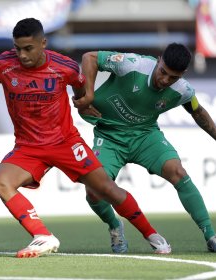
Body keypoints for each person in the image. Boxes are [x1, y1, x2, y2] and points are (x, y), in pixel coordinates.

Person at [0, 18, 170, 257]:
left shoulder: (64, 67)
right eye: (17, 48)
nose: (22, 55)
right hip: (29, 147)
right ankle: (43, 236)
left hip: (65, 142)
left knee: (106, 190)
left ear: (43, 43)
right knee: (1, 182)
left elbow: (80, 85)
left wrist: (83, 102)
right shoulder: (2, 65)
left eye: (28, 48)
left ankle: (152, 235)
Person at [78, 43, 216, 253]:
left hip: (145, 136)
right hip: (109, 135)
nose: (165, 80)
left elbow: (198, 112)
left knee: (177, 171)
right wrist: (87, 94)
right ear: (159, 59)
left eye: (173, 78)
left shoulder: (184, 90)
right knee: (93, 191)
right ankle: (115, 226)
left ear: (182, 75)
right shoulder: (131, 64)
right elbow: (89, 57)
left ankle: (210, 235)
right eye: (163, 72)